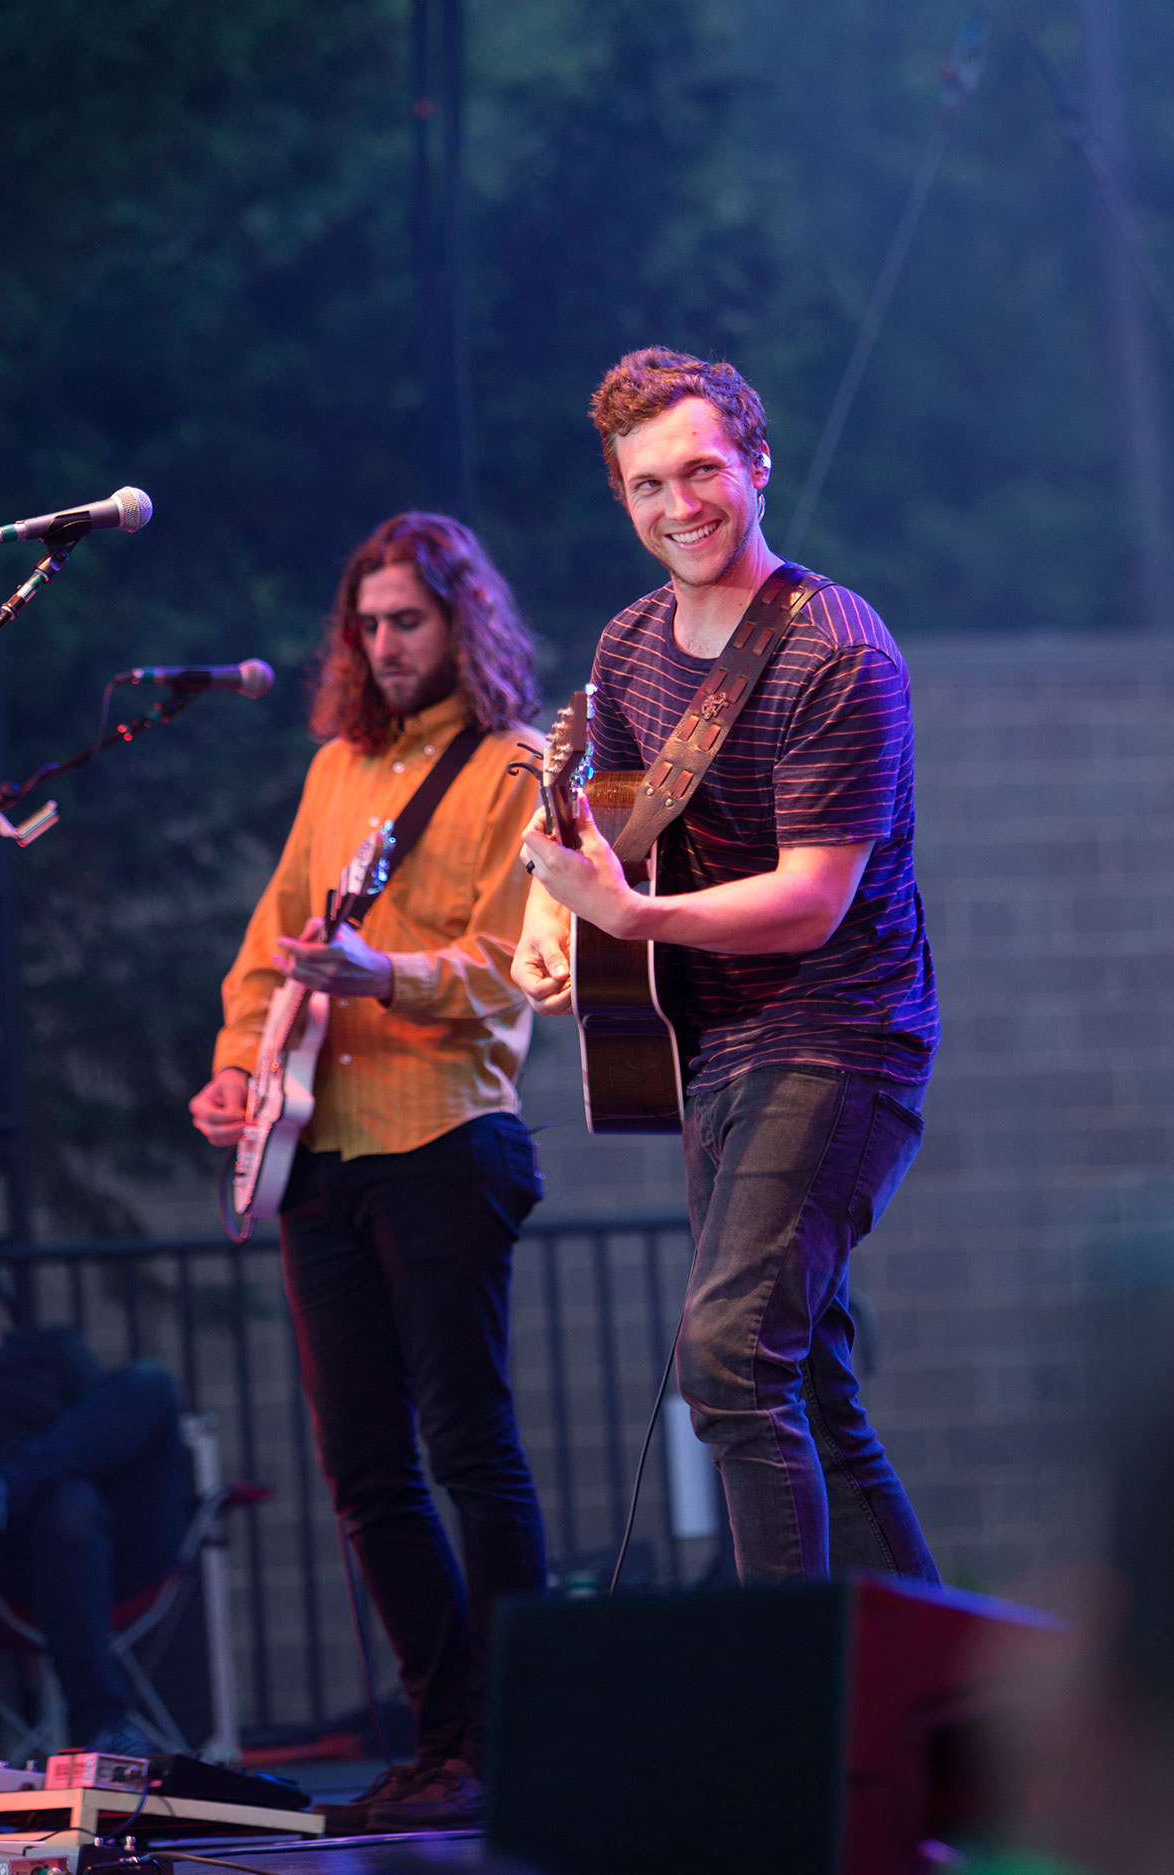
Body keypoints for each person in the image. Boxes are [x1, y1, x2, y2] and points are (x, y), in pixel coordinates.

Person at [513, 347, 940, 1588]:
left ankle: (789, 1706)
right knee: (801, 1379)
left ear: (755, 465)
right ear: (623, 499)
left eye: (702, 470)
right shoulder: (633, 641)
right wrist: (559, 914)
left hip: (841, 1034)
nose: (680, 505)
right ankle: (935, 1719)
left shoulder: (835, 649)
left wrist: (632, 925)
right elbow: (601, 828)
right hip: (715, 1046)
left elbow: (812, 903)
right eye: (649, 485)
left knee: (728, 1360)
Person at [190, 512, 547, 1832]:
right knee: (363, 1467)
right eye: (371, 623)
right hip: (319, 1147)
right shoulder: (339, 764)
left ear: (462, 621)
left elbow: (516, 965)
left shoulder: (518, 765)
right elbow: (267, 943)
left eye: (409, 619)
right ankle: (444, 1730)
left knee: (471, 1445)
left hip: (447, 1134)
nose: (386, 643)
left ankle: (523, 1729)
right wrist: (238, 1066)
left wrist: (381, 971)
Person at [0, 1251, 186, 1754]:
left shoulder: (52, 1349)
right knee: (66, 1503)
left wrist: (11, 1480)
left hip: (119, 1549)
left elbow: (106, 1444)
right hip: (15, 1567)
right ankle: (100, 1726)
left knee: (149, 1381)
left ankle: (1, 1489)